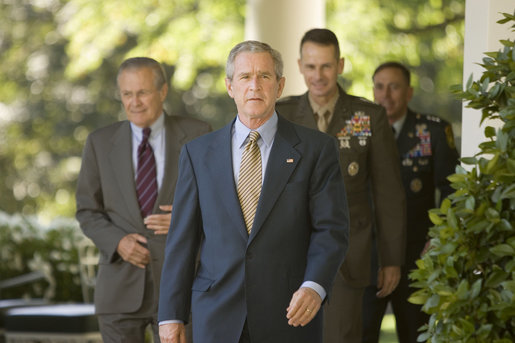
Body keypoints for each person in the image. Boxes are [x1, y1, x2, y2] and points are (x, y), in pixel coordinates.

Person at [157, 40, 349, 343]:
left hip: (290, 315)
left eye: (264, 76)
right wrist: (171, 315)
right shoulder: (197, 153)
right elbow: (182, 241)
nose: (254, 86)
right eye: (245, 77)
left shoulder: (316, 150)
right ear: (230, 86)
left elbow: (331, 230)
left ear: (280, 85)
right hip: (216, 315)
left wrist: (315, 286)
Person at [276, 28, 406, 343]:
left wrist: (391, 259)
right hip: (289, 254)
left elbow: (388, 193)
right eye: (311, 66)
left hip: (349, 256)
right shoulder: (281, 114)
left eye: (326, 66)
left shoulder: (369, 116)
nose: (318, 75)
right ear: (299, 66)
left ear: (341, 65)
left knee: (341, 337)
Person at [75, 57, 211, 343]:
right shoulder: (99, 143)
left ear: (162, 92)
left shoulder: (200, 134)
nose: (134, 102)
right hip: (119, 291)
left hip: (183, 287)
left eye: (143, 92)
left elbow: (223, 203)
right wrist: (118, 242)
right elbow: (87, 210)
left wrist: (187, 219)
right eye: (127, 94)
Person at [361, 62, 459, 343]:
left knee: (416, 334)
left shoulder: (433, 131)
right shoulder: (356, 132)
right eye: (379, 87)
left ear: (409, 92)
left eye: (394, 87)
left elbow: (452, 189)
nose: (386, 95)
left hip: (417, 255)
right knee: (360, 333)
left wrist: (438, 238)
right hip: (369, 255)